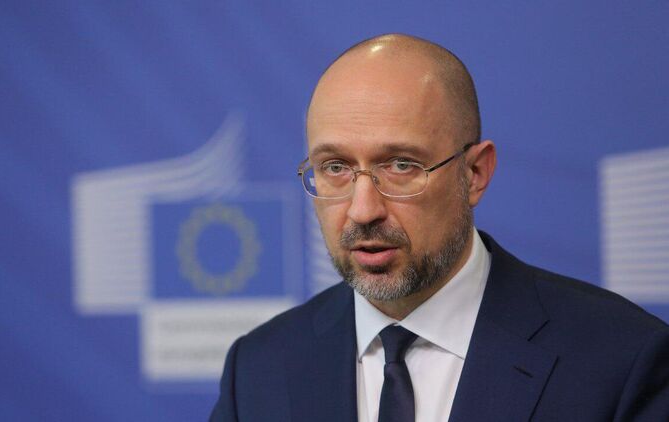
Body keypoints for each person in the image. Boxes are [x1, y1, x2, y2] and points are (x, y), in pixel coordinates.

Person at [210, 34, 669, 421]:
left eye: (401, 165)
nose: (363, 210)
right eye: (335, 167)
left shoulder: (622, 360)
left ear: (475, 174)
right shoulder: (257, 370)